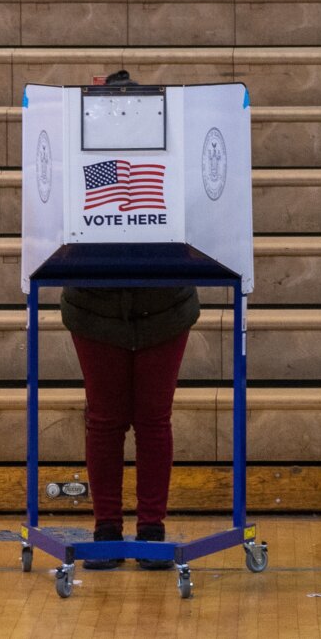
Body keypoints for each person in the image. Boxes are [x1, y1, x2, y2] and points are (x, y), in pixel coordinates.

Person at [62, 71, 200, 570]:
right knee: (107, 418)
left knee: (149, 419)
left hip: (161, 304)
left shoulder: (171, 152)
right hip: (98, 306)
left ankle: (150, 527)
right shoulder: (77, 153)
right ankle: (107, 527)